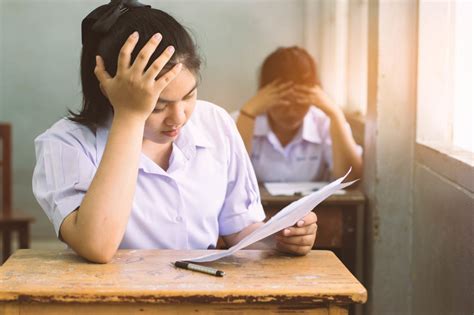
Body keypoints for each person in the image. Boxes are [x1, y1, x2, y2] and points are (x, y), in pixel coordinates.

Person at [32, 1, 317, 263]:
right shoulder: (64, 144)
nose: (178, 118)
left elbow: (240, 228)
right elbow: (96, 245)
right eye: (158, 107)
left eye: (189, 96)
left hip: (204, 292)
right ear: (109, 90)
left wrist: (280, 237)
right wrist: (130, 117)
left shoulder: (216, 123)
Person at [235, 47, 363, 182]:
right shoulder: (242, 120)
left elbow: (349, 179)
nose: (291, 112)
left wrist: (335, 114)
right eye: (282, 102)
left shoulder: (323, 122)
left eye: (300, 103)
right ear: (264, 95)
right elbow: (230, 175)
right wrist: (248, 113)